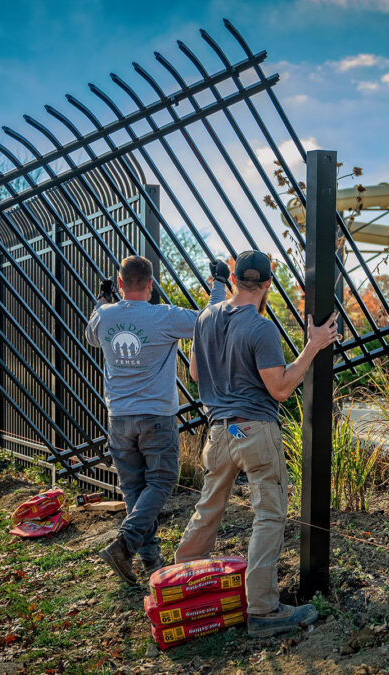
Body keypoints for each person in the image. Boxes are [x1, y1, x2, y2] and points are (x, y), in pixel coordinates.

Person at [174, 250, 339, 638]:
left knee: (209, 506)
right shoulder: (261, 328)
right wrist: (313, 345)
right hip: (254, 431)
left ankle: (182, 578)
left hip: (220, 433)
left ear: (232, 280)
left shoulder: (204, 318)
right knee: (269, 515)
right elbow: (280, 389)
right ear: (266, 285)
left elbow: (197, 373)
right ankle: (264, 609)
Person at [85, 255, 228, 585]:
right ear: (150, 285)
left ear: (121, 285)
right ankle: (124, 544)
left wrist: (102, 300)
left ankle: (150, 560)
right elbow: (210, 323)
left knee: (134, 488)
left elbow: (93, 336)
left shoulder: (104, 315)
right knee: (162, 481)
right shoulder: (164, 315)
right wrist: (218, 284)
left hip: (119, 418)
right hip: (156, 417)